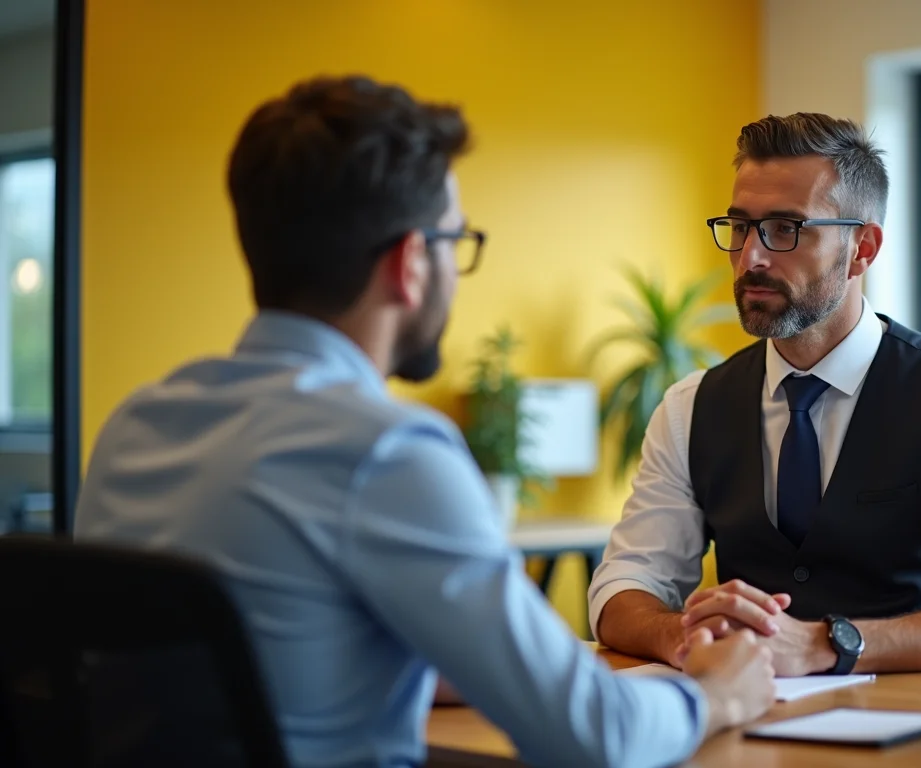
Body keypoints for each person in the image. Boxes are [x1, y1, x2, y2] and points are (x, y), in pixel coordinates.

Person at [73, 75, 776, 768]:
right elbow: (595, 737)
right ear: (411, 263)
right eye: (455, 239)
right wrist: (717, 695)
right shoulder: (385, 452)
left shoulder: (137, 426)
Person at [587, 112, 921, 678]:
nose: (750, 258)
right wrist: (683, 635)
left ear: (863, 248)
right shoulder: (691, 407)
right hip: (754, 726)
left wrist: (823, 644)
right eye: (740, 228)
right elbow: (621, 588)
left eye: (786, 229)